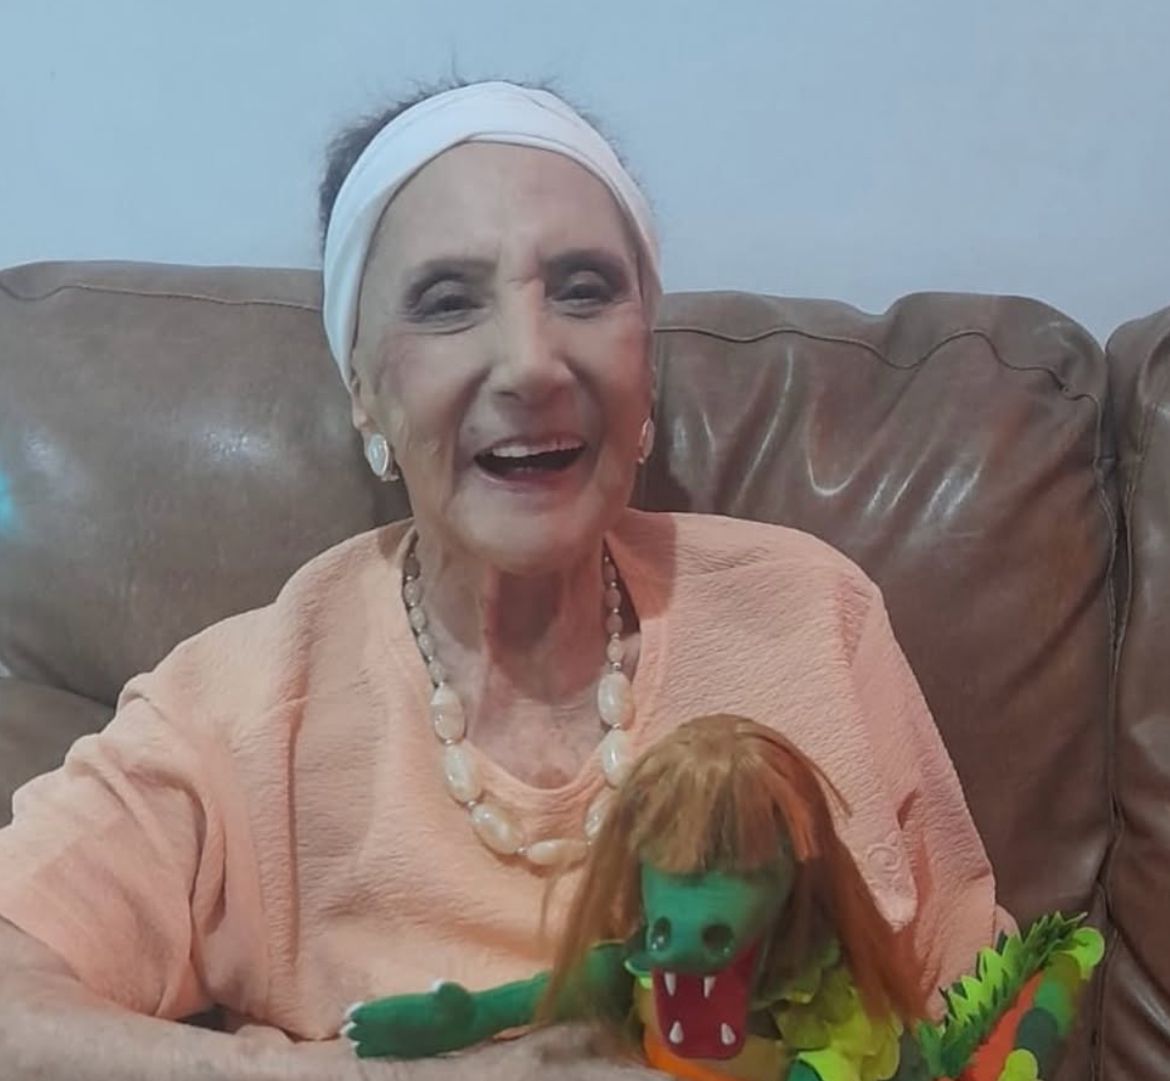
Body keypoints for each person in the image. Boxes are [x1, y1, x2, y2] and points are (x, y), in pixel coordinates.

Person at [0, 80, 1008, 1080]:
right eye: (448, 303)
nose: (532, 363)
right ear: (363, 391)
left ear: (646, 363)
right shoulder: (240, 710)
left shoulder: (812, 617)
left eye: (584, 289)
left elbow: (985, 1016)